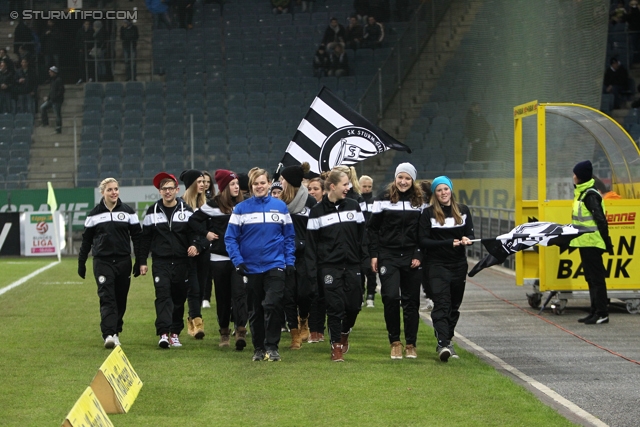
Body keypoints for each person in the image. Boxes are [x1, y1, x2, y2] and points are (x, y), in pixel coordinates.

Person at [225, 167, 296, 362]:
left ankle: (272, 347)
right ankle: (258, 348)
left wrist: (289, 261)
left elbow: (289, 237)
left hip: (276, 265)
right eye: (255, 183)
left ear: (268, 183)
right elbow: (230, 238)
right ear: (251, 186)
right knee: (255, 310)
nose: (259, 186)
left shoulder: (280, 207)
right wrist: (238, 262)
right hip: (251, 267)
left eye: (262, 182)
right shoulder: (240, 209)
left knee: (272, 304)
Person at [306, 169, 367, 362]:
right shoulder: (316, 211)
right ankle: (336, 347)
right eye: (345, 184)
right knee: (334, 307)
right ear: (333, 186)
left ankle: (345, 331)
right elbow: (311, 246)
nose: (348, 188)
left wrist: (364, 260)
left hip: (353, 265)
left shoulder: (354, 206)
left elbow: (362, 237)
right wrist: (313, 274)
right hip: (329, 267)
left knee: (354, 305)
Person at [78, 178, 144, 348]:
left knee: (120, 299)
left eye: (116, 189)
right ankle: (108, 334)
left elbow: (137, 237)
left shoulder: (128, 212)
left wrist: (140, 260)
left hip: (123, 261)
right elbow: (86, 240)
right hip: (102, 262)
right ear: (103, 193)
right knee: (107, 298)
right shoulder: (94, 214)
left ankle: (116, 331)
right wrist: (81, 261)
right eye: (110, 190)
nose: (114, 192)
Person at [367, 163, 423, 359]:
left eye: (407, 178)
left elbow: (423, 232)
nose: (403, 181)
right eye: (400, 177)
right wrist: (374, 254)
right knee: (390, 297)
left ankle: (411, 344)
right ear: (395, 178)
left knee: (411, 302)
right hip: (388, 256)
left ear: (413, 180)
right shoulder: (383, 198)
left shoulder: (420, 200)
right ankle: (395, 342)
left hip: (411, 257)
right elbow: (372, 228)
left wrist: (418, 254)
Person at [190, 169, 249, 349]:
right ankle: (224, 333)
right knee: (223, 297)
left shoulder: (244, 204)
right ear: (224, 187)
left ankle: (240, 331)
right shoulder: (212, 205)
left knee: (240, 295)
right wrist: (205, 233)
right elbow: (193, 221)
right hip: (218, 258)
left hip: (239, 258)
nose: (236, 187)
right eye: (232, 184)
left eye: (237, 183)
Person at [140, 172, 200, 348]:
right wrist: (142, 261)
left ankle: (175, 333)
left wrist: (195, 245)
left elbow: (195, 233)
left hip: (182, 263)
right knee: (163, 295)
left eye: (170, 188)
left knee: (178, 298)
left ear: (177, 189)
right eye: (163, 189)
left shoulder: (187, 211)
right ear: (159, 191)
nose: (167, 192)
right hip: (161, 262)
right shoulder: (152, 212)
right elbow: (145, 239)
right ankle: (163, 333)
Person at [419, 176, 474, 362]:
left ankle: (447, 339)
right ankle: (443, 342)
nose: (443, 193)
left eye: (446, 189)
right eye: (439, 190)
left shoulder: (464, 211)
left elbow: (470, 234)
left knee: (454, 306)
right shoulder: (428, 214)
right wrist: (448, 243)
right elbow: (423, 240)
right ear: (435, 193)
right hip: (436, 265)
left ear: (451, 190)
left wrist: (467, 239)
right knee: (442, 303)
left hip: (458, 265)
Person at [279, 162, 317, 349]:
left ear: (290, 182)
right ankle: (294, 332)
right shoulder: (279, 202)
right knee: (287, 295)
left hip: (305, 255)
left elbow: (315, 229)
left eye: (283, 179)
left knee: (304, 294)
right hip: (284, 254)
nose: (280, 182)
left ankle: (304, 319)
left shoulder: (310, 202)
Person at [571, 161, 613, 325]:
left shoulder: (590, 195)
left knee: (597, 279)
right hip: (585, 242)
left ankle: (602, 313)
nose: (573, 176)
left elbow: (601, 221)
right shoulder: (582, 194)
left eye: (575, 174)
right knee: (591, 278)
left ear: (580, 176)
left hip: (592, 243)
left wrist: (606, 243)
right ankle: (594, 311)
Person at [179, 169, 207, 339]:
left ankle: (192, 319)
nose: (203, 184)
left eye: (204, 181)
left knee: (201, 288)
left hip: (203, 251)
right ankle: (196, 323)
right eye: (199, 181)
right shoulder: (180, 205)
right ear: (191, 184)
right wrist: (191, 246)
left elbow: (210, 232)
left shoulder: (207, 205)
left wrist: (199, 246)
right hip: (186, 253)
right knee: (193, 288)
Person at [359, 175, 377, 307]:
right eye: (364, 186)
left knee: (372, 269)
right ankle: (360, 294)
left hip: (372, 238)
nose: (367, 189)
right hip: (360, 239)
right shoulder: (355, 200)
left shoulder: (375, 201)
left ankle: (371, 295)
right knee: (360, 268)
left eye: (369, 186)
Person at [419, 180, 435, 312]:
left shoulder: (433, 207)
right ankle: (430, 299)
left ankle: (433, 298)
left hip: (432, 245)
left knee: (429, 274)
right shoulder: (417, 205)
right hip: (423, 243)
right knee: (424, 274)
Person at [40, 66, 64, 134]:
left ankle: (58, 129)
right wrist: (48, 97)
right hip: (51, 100)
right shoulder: (52, 80)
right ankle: (45, 123)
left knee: (57, 115)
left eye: (50, 72)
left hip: (57, 101)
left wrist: (54, 97)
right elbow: (51, 91)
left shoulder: (59, 80)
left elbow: (61, 91)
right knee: (42, 108)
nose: (49, 73)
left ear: (54, 72)